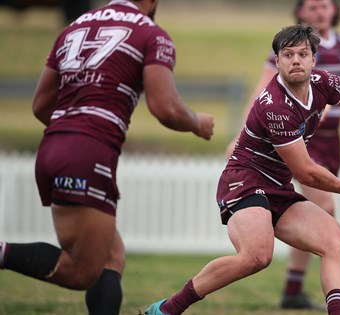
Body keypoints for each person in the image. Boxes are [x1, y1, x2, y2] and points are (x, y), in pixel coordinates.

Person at [145, 24, 340, 315]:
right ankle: (167, 309)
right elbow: (306, 173)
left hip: (277, 186)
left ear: (314, 60)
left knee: (337, 244)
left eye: (303, 54)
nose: (296, 60)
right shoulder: (275, 106)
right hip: (244, 181)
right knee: (256, 256)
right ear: (276, 62)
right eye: (287, 54)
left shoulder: (323, 83)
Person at [0, 1, 214, 314]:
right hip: (87, 152)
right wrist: (197, 123)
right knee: (81, 271)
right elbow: (164, 107)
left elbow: (41, 105)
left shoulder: (75, 27)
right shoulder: (151, 34)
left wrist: (74, 135)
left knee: (111, 258)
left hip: (53, 145)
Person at [224, 0, 340, 310]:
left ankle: (300, 284)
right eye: (312, 6)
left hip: (328, 138)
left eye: (324, 5)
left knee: (335, 240)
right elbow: (263, 90)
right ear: (301, 12)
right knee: (324, 205)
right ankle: (300, 283)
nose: (318, 11)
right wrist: (239, 134)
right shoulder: (283, 66)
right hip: (295, 141)